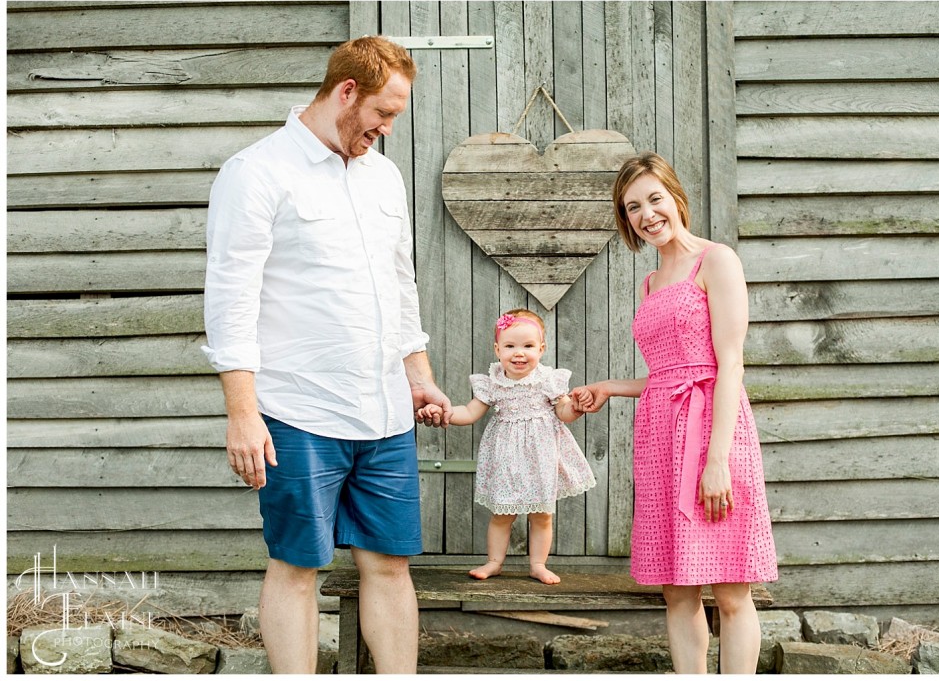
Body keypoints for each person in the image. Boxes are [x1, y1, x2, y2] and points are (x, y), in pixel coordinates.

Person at [201, 36, 452, 674]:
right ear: (346, 92)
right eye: (383, 113)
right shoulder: (255, 172)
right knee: (296, 565)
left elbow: (401, 286)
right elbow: (231, 301)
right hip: (295, 409)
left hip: (385, 411)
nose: (387, 129)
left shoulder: (384, 177)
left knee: (391, 565)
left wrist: (416, 375)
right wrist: (242, 411)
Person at [569, 153, 777, 674]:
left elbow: (729, 363)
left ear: (674, 197)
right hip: (661, 436)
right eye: (633, 207)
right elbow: (667, 372)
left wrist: (717, 460)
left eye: (653, 199)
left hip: (714, 433)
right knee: (678, 591)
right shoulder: (650, 283)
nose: (646, 214)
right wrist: (614, 387)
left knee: (731, 590)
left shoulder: (717, 260)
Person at [417, 309, 596, 585]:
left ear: (541, 349)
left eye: (528, 346)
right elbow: (470, 411)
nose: (519, 353)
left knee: (542, 515)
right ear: (497, 349)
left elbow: (563, 412)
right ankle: (494, 562)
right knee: (502, 514)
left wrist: (575, 408)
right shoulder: (494, 382)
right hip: (506, 458)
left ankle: (537, 564)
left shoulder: (548, 380)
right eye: (510, 346)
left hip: (541, 456)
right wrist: (445, 412)